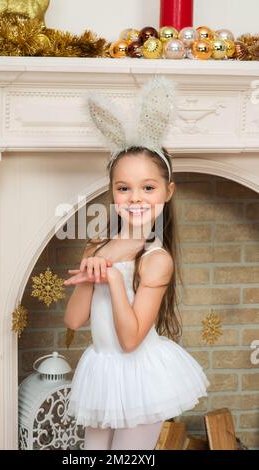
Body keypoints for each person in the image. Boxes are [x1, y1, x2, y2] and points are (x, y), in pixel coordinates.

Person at [63, 77, 210, 450]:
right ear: (112, 192)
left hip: (140, 375)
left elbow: (130, 340)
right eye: (123, 187)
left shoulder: (157, 260)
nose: (135, 197)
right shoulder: (97, 244)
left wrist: (112, 280)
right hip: (102, 371)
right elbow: (74, 320)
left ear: (167, 191)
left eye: (148, 187)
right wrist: (89, 275)